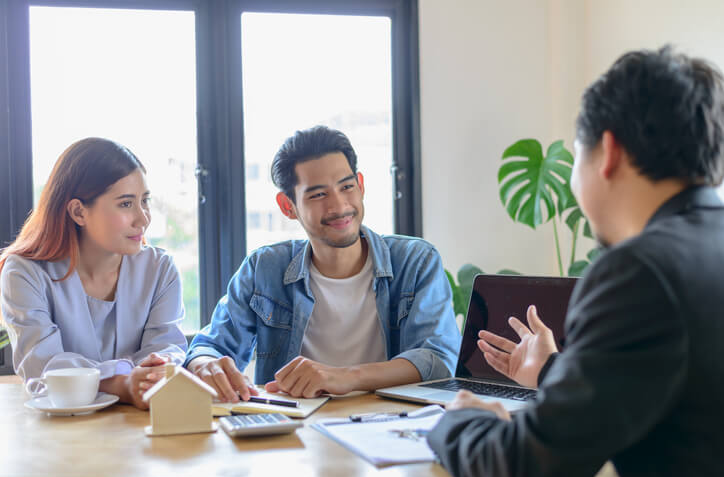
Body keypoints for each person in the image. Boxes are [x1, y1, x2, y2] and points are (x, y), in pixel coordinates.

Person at [427, 46, 724, 477]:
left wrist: (459, 419)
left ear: (608, 151)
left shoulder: (640, 271)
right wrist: (551, 371)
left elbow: (525, 468)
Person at [185, 125, 461, 401]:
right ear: (287, 206)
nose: (339, 206)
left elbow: (437, 359)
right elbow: (209, 347)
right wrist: (205, 364)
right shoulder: (264, 268)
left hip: (392, 424)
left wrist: (345, 377)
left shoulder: (415, 261)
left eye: (347, 187)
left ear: (361, 185)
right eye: (318, 195)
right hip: (295, 431)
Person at [0, 138, 188, 409]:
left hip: (141, 427)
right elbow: (43, 368)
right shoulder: (24, 273)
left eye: (144, 201)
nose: (143, 218)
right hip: (61, 434)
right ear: (78, 212)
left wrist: (152, 372)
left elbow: (166, 350)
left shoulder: (160, 269)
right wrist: (124, 383)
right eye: (125, 204)